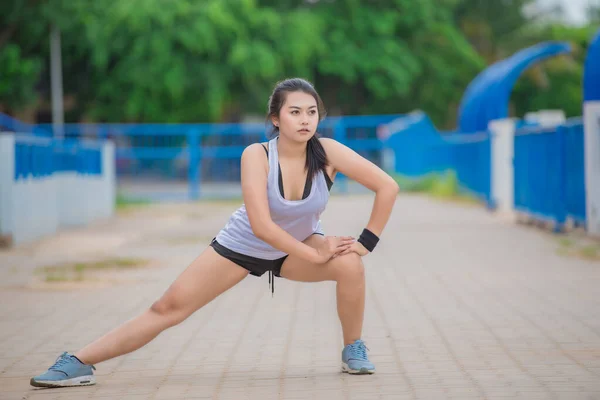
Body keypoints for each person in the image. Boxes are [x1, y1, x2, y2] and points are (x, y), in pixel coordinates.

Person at [30, 78, 399, 388]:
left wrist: (365, 243)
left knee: (350, 264)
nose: (305, 120)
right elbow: (262, 227)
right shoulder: (256, 156)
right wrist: (316, 254)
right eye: (295, 112)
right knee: (167, 308)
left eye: (312, 112)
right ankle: (78, 361)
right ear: (275, 118)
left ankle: (354, 348)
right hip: (241, 246)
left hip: (297, 246)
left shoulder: (328, 152)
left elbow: (387, 187)